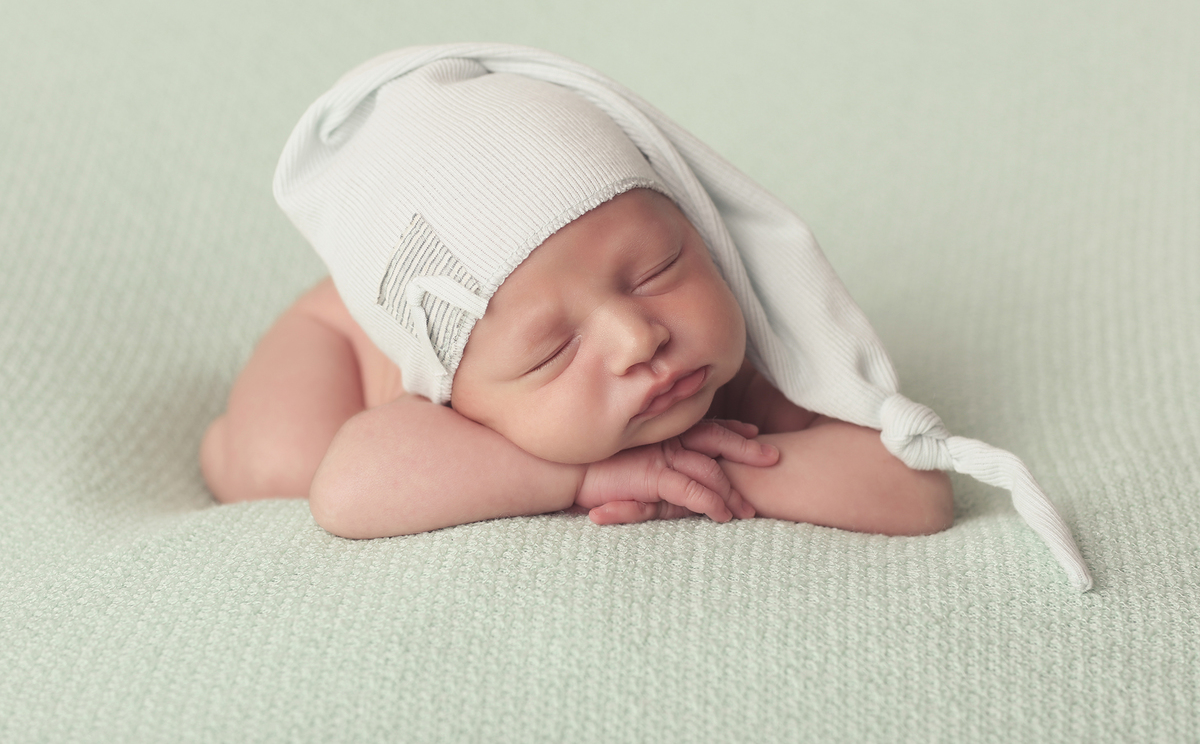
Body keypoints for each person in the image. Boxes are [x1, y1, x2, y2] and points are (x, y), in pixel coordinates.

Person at [200, 185, 954, 539]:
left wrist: (696, 466)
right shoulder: (451, 399)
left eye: (658, 268)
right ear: (463, 402)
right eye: (555, 349)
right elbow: (347, 485)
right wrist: (584, 474)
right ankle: (219, 441)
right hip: (337, 333)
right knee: (278, 470)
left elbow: (916, 489)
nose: (638, 338)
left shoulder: (743, 365)